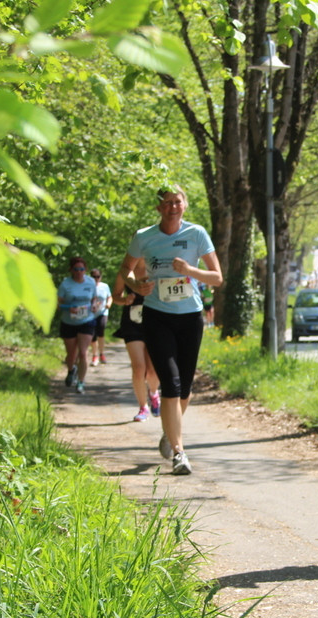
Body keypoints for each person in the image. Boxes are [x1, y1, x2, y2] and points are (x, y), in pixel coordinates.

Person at [114, 186, 222, 475]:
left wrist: (191, 270)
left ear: (185, 205)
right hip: (157, 316)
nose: (173, 207)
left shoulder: (197, 234)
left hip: (190, 317)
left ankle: (169, 433)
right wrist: (136, 286)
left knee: (185, 388)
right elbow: (125, 269)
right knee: (171, 384)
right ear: (159, 208)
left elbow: (217, 277)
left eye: (178, 202)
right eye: (167, 203)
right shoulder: (144, 237)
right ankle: (179, 452)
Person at [112, 257, 163, 422]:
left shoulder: (157, 269)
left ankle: (154, 393)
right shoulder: (126, 272)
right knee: (139, 368)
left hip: (155, 322)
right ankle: (143, 407)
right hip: (132, 324)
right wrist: (125, 300)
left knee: (153, 370)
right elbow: (116, 296)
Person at [56, 257, 97, 394]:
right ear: (71, 270)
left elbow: (94, 299)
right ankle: (71, 369)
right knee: (71, 354)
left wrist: (95, 305)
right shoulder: (65, 284)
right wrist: (68, 308)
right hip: (69, 322)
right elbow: (57, 304)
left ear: (85, 270)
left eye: (82, 269)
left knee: (83, 353)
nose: (79, 272)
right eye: (76, 269)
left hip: (87, 320)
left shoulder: (91, 282)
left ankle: (81, 381)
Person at [89, 268, 112, 366]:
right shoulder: (88, 286)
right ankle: (95, 355)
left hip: (103, 312)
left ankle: (102, 353)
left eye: (98, 276)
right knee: (92, 335)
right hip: (91, 314)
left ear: (100, 277)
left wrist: (108, 304)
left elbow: (109, 297)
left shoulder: (104, 286)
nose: (96, 278)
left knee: (101, 331)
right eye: (94, 277)